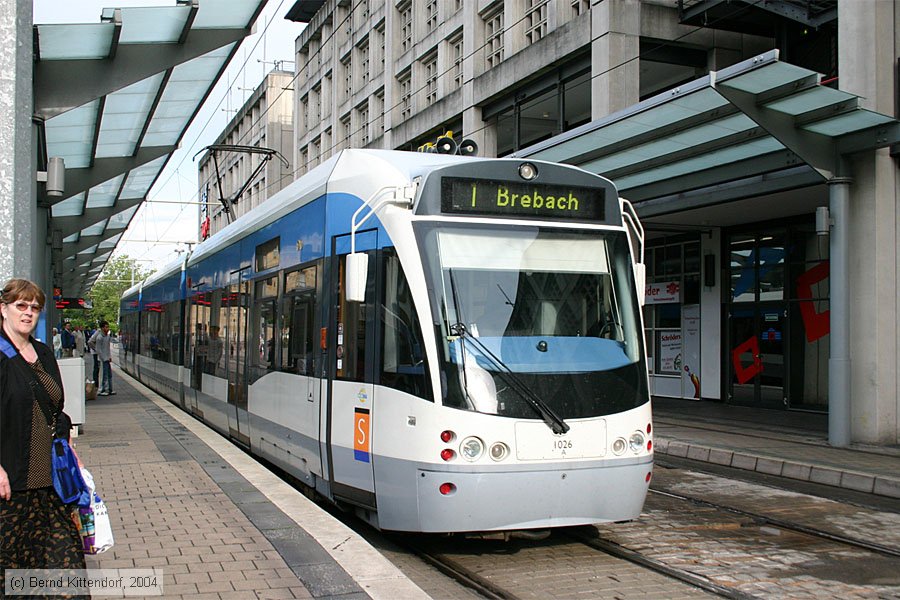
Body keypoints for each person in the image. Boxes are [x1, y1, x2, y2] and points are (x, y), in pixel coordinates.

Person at [0, 278, 87, 587]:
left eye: (34, 307)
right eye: (20, 306)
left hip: (52, 484)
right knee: (15, 578)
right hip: (12, 487)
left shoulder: (44, 353)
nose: (28, 313)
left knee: (68, 575)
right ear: (4, 309)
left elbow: (56, 409)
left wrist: (67, 442)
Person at [88, 321, 115, 396]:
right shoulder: (99, 337)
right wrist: (102, 357)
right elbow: (98, 349)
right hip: (103, 358)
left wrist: (109, 356)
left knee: (109, 374)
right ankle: (103, 389)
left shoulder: (107, 336)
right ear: (102, 328)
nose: (107, 328)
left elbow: (108, 348)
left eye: (108, 327)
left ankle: (110, 389)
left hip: (107, 357)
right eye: (106, 327)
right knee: (104, 374)